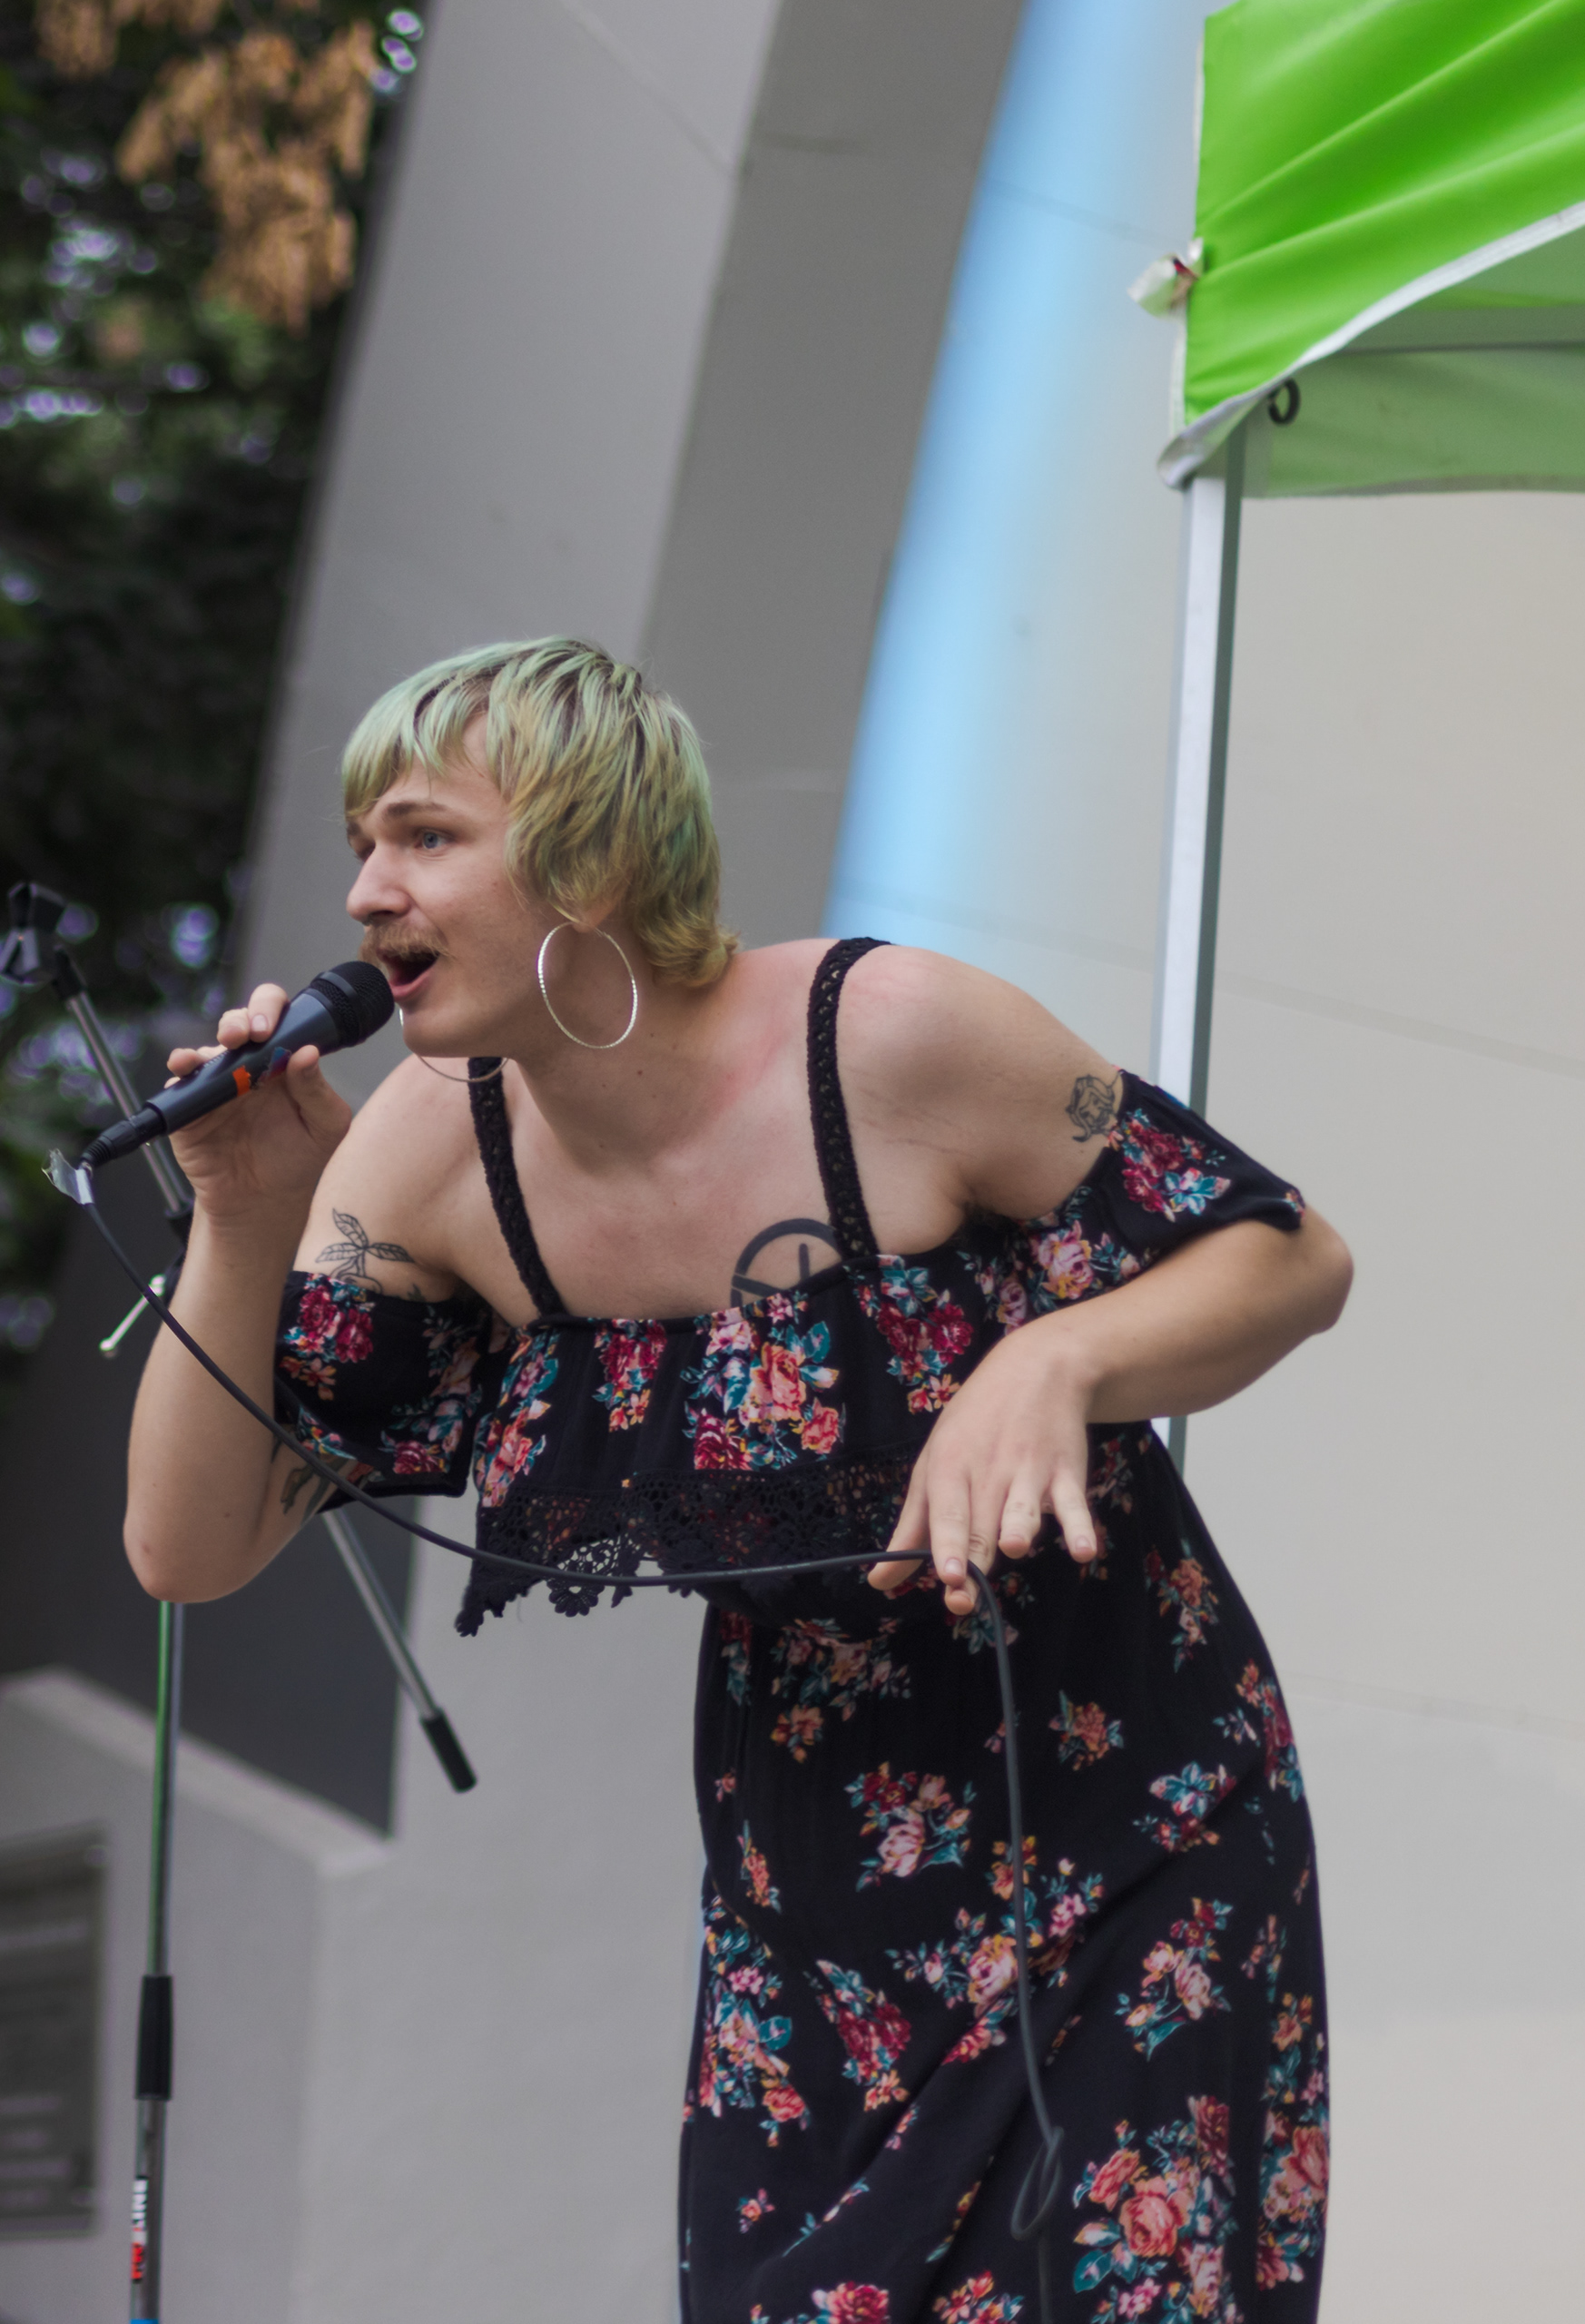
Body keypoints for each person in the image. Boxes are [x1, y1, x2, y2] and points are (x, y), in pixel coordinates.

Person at [123, 639, 1350, 2321]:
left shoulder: (885, 1034)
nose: (364, 895)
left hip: (1136, 1822)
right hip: (810, 1896)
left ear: (593, 851)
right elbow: (190, 1547)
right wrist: (242, 1215)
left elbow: (1288, 1259)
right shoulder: (429, 1149)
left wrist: (1050, 1359)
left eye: (419, 837)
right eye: (360, 847)